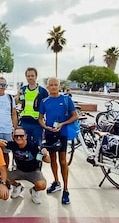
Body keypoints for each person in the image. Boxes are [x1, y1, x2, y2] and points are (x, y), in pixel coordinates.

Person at [38, 77, 78, 205]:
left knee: (62, 161)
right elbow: (40, 119)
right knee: (53, 160)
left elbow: (75, 116)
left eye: (56, 85)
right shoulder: (44, 101)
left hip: (62, 134)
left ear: (59, 86)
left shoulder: (66, 99)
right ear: (48, 87)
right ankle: (56, 182)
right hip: (50, 133)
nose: (54, 87)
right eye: (51, 85)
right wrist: (46, 127)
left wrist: (62, 124)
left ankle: (66, 189)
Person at [0, 127, 50, 204]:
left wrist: (45, 154)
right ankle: (17, 186)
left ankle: (34, 191)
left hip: (33, 172)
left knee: (42, 185)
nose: (19, 138)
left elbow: (48, 160)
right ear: (13, 137)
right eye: (16, 136)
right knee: (0, 175)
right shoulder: (13, 145)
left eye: (21, 136)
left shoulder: (33, 147)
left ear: (26, 136)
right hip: (19, 170)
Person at [16, 67, 49, 146]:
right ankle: (25, 158)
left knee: (38, 146)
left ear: (36, 76)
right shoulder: (23, 90)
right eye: (28, 76)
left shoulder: (42, 91)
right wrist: (18, 95)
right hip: (24, 122)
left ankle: (38, 158)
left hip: (37, 123)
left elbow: (47, 106)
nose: (30, 78)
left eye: (32, 76)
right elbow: (18, 102)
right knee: (24, 145)